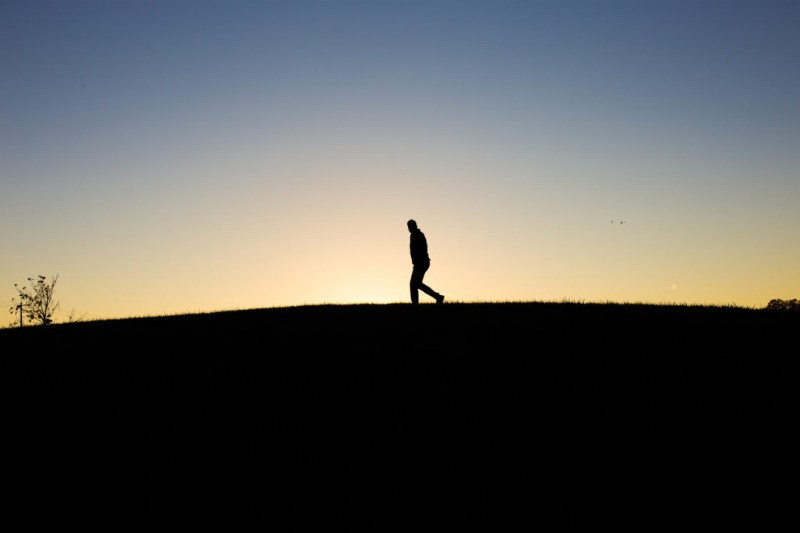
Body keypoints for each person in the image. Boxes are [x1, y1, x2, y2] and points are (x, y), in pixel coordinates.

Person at [407, 219, 445, 304]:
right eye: (408, 227)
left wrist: (417, 261)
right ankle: (438, 297)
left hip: (421, 263)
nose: (409, 228)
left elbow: (421, 249)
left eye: (410, 226)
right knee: (417, 284)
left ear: (414, 226)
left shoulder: (416, 235)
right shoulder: (417, 234)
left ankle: (416, 304)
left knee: (414, 284)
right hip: (421, 262)